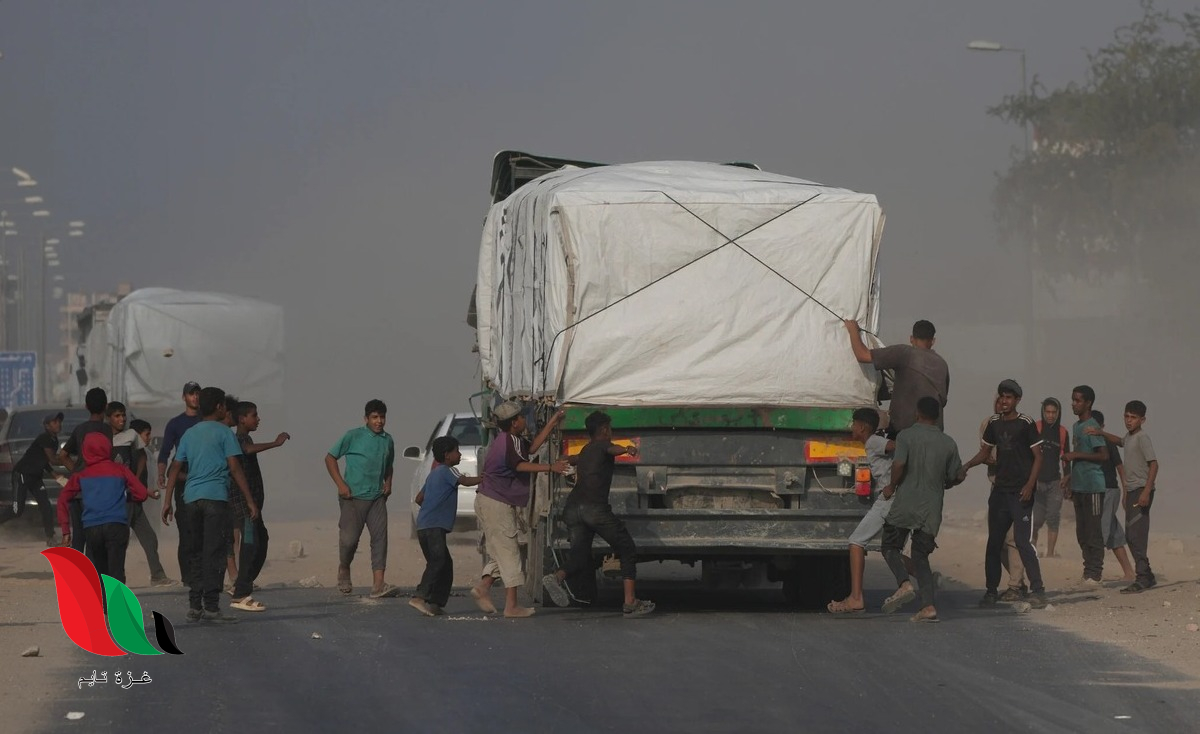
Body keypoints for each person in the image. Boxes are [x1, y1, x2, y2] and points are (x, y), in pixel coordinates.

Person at [542, 411, 655, 618]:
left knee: (580, 555)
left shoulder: (586, 450)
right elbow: (612, 449)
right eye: (610, 428)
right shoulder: (603, 445)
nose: (611, 432)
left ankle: (557, 577)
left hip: (573, 509)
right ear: (604, 429)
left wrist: (564, 458)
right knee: (627, 548)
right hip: (594, 510)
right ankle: (630, 602)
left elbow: (572, 459)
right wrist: (627, 449)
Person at [162, 387, 258, 623]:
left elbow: (175, 467)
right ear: (218, 407)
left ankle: (195, 606)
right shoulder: (224, 433)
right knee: (214, 553)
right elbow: (234, 467)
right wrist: (249, 499)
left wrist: (167, 501)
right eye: (224, 405)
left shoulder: (190, 434)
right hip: (215, 499)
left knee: (195, 551)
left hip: (191, 500)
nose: (227, 409)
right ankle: (212, 607)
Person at [471, 401, 567, 618]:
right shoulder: (508, 442)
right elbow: (520, 465)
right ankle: (511, 606)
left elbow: (531, 449)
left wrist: (553, 421)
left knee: (501, 551)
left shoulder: (512, 440)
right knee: (510, 552)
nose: (525, 420)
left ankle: (483, 587)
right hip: (496, 501)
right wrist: (551, 467)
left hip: (492, 500)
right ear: (514, 423)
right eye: (522, 417)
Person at [962, 379, 1048, 609]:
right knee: (994, 543)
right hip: (1000, 491)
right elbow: (985, 452)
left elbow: (1038, 457)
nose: (1004, 401)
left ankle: (1038, 590)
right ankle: (991, 591)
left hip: (1020, 492)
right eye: (1002, 397)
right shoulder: (993, 423)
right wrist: (967, 465)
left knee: (1021, 541)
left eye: (1009, 397)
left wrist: (1030, 485)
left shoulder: (1025, 423)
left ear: (1017, 400)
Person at [878, 397, 963, 622]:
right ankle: (928, 607)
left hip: (905, 504)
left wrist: (891, 486)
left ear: (917, 413)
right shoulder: (948, 443)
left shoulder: (905, 436)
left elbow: (899, 464)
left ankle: (904, 584)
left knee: (889, 546)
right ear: (936, 416)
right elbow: (955, 476)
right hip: (931, 510)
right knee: (920, 557)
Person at [827, 408, 905, 614]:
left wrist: (892, 483)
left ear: (862, 427)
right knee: (890, 549)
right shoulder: (871, 443)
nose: (851, 428)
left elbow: (895, 446)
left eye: (853, 424)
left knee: (856, 542)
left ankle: (856, 598)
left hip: (887, 499)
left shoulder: (873, 441)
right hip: (893, 498)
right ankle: (924, 580)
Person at [325, 399, 399, 599]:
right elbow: (330, 458)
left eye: (382, 417)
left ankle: (378, 584)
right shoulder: (353, 436)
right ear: (366, 418)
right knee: (349, 540)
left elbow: (389, 464)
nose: (379, 421)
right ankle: (344, 568)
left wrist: (388, 483)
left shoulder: (387, 440)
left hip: (377, 497)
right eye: (375, 417)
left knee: (380, 539)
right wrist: (341, 485)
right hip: (352, 497)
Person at [56, 433, 149, 584]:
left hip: (92, 528)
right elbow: (142, 493)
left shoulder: (81, 475)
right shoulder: (120, 470)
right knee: (116, 572)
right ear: (108, 449)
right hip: (117, 526)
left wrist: (66, 531)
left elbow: (62, 501)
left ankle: (101, 605)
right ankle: (116, 606)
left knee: (99, 574)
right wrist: (124, 497)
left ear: (85, 451)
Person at [408, 435, 482, 617]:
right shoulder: (449, 471)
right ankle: (420, 596)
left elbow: (419, 498)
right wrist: (484, 478)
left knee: (445, 564)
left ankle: (436, 603)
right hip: (434, 527)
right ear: (447, 455)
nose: (459, 455)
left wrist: (432, 507)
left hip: (423, 526)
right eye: (457, 451)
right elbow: (465, 481)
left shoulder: (433, 474)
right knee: (438, 561)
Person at [1090, 400, 1158, 594]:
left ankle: (1142, 578)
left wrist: (1146, 491)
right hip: (1133, 491)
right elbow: (1119, 441)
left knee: (1136, 535)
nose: (1129, 421)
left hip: (1142, 490)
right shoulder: (1129, 437)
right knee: (1131, 534)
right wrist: (1101, 433)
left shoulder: (1142, 438)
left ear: (1142, 419)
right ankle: (1148, 575)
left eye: (1133, 418)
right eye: (1126, 416)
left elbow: (1154, 464)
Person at [229, 401, 289, 612]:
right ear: (242, 419)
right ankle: (241, 593)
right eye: (254, 415)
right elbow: (247, 450)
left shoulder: (245, 437)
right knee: (250, 545)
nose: (258, 419)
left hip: (253, 506)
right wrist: (275, 443)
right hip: (246, 505)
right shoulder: (238, 440)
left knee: (260, 541)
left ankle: (242, 584)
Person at [844, 319, 949, 436]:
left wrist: (853, 330)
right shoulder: (942, 364)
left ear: (911, 338)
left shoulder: (905, 353)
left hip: (905, 431)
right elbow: (942, 400)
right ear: (933, 341)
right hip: (935, 433)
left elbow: (862, 355)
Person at [107, 402, 173, 586]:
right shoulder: (117, 444)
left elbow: (140, 461)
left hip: (134, 501)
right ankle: (115, 579)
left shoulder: (138, 450)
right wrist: (134, 484)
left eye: (123, 416)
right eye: (117, 416)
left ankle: (157, 575)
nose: (121, 419)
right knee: (120, 541)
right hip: (123, 501)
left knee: (149, 538)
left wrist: (137, 486)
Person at [1062, 385, 1108, 586]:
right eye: (1073, 400)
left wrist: (1076, 455)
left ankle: (1095, 573)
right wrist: (1070, 478)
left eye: (1077, 400)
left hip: (1093, 487)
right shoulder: (1076, 427)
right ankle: (1087, 569)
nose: (1073, 404)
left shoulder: (1092, 426)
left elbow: (1103, 455)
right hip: (1079, 486)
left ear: (1088, 403)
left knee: (1093, 531)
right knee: (1081, 532)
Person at [59, 387, 114, 553]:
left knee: (79, 536)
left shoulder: (80, 429)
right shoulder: (107, 430)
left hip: (79, 490)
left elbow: (63, 455)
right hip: (97, 491)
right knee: (94, 536)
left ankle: (76, 576)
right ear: (105, 406)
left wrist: (77, 472)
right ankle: (93, 575)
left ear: (86, 406)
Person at [158, 381, 202, 583]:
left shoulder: (206, 421)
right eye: (191, 394)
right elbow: (165, 452)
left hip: (205, 480)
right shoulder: (175, 424)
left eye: (197, 394)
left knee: (205, 532)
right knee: (186, 532)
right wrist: (161, 475)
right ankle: (188, 578)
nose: (195, 397)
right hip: (184, 481)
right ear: (184, 397)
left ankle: (203, 575)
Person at [1, 411, 67, 546]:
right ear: (47, 426)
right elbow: (53, 460)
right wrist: (69, 460)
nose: (58, 424)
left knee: (46, 506)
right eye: (54, 422)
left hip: (35, 477)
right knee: (16, 510)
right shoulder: (44, 438)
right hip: (22, 474)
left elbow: (44, 461)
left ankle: (50, 537)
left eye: (59, 421)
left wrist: (54, 474)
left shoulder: (54, 441)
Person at [1091, 410, 1135, 583]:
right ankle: (1129, 573)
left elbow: (1120, 468)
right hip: (1096, 492)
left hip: (1109, 491)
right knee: (1113, 534)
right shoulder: (1086, 443)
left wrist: (1125, 493)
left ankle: (1094, 573)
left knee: (1100, 531)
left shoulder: (1108, 443)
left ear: (1101, 427)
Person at [1032, 398, 1070, 558]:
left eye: (1054, 412)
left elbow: (1066, 457)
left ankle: (1050, 553)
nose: (1050, 415)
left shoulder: (1062, 432)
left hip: (1055, 482)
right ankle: (1031, 551)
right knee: (1036, 520)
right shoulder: (1036, 428)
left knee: (1053, 517)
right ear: (1043, 412)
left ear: (1058, 413)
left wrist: (1068, 478)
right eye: (1047, 412)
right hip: (1036, 481)